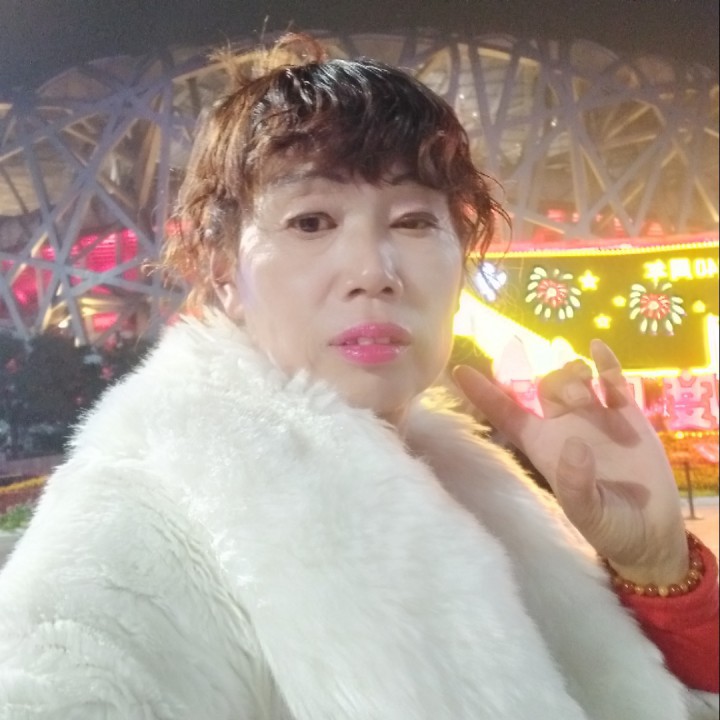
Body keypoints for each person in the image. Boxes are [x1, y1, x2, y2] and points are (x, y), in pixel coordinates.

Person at [0, 35, 717, 720]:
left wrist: (658, 572)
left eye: (413, 222)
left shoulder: (474, 500)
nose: (374, 271)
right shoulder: (131, 528)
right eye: (311, 222)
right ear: (221, 272)